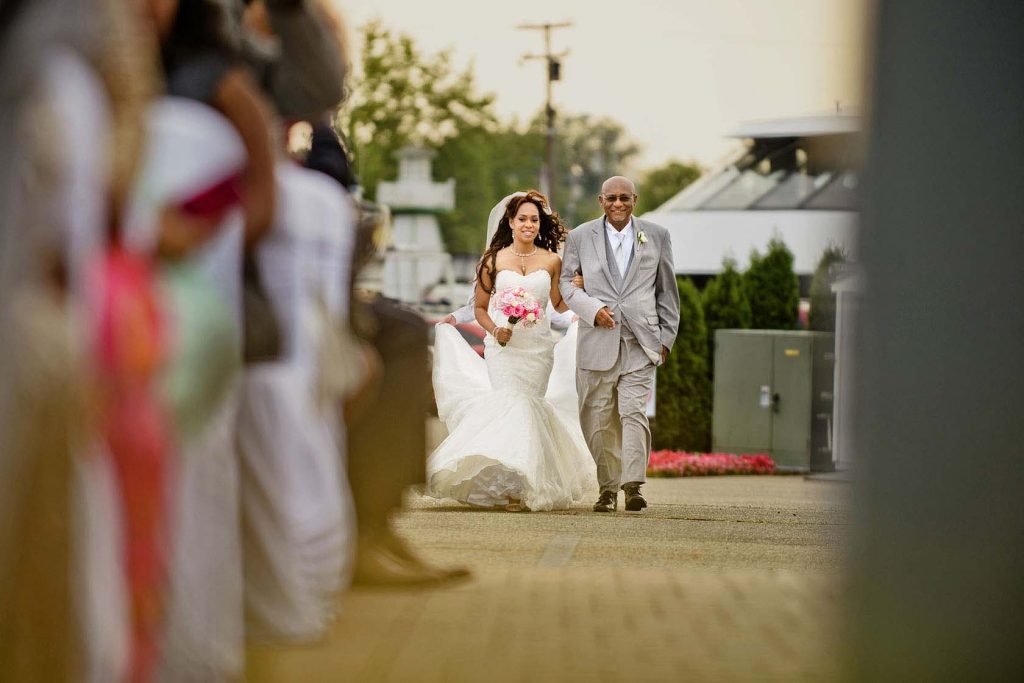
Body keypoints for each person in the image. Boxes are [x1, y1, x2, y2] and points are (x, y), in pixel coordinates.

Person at [427, 191, 596, 512]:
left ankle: (521, 483)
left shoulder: (552, 261)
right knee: (511, 404)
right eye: (523, 219)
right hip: (503, 349)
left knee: (529, 405)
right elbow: (479, 307)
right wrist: (494, 330)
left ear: (540, 224)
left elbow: (558, 306)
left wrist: (577, 297)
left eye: (534, 220)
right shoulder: (493, 260)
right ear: (510, 222)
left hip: (537, 349)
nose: (529, 225)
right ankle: (513, 486)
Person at [559, 176, 680, 513]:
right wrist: (592, 309)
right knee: (598, 416)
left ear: (634, 200)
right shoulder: (580, 236)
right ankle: (607, 488)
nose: (617, 204)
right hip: (597, 340)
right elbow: (567, 285)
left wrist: (666, 339)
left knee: (633, 412)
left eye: (624, 198)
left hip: (641, 342)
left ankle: (633, 485)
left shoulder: (657, 235)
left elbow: (667, 292)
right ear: (601, 201)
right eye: (611, 198)